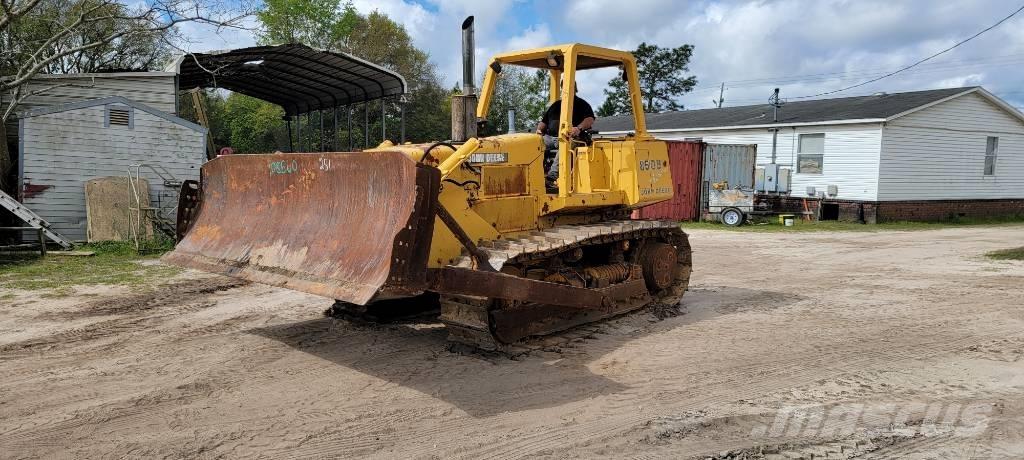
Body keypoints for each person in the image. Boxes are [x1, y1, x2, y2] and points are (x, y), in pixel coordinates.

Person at [535, 87, 595, 191]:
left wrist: (578, 128)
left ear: (574, 89)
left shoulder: (582, 104)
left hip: (573, 137)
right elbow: (543, 122)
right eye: (564, 89)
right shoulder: (556, 105)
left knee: (565, 144)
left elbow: (590, 119)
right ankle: (535, 177)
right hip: (551, 137)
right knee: (534, 143)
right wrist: (539, 130)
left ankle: (551, 178)